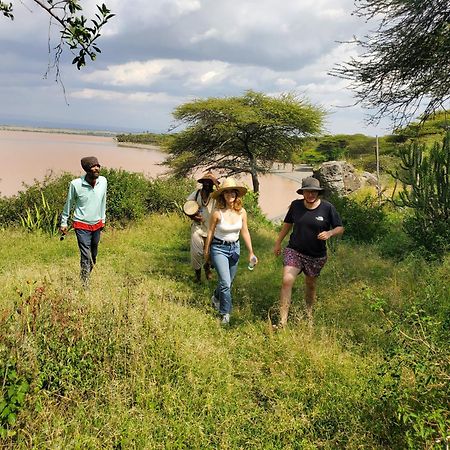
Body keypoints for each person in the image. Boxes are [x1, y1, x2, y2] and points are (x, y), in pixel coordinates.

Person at [273, 177, 344, 327]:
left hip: (316, 255)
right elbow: (287, 225)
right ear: (303, 192)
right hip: (295, 250)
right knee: (287, 281)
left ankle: (308, 312)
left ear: (318, 193)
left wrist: (330, 233)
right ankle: (282, 322)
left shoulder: (327, 208)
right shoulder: (296, 206)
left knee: (310, 285)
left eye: (314, 192)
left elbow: (340, 227)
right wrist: (278, 242)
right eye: (307, 192)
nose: (311, 194)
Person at [204, 177, 257, 325]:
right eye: (226, 193)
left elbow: (245, 232)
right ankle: (225, 314)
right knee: (226, 283)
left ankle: (215, 297)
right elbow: (210, 232)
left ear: (236, 194)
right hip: (218, 248)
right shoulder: (217, 212)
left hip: (235, 249)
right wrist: (206, 251)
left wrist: (251, 252)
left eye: (232, 192)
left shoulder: (242, 212)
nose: (229, 195)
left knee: (228, 282)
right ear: (222, 195)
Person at [60, 156, 107, 286]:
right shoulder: (76, 184)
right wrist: (64, 222)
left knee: (94, 256)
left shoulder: (103, 181)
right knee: (86, 255)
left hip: (97, 224)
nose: (97, 168)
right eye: (93, 166)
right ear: (87, 169)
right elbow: (68, 204)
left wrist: (103, 219)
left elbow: (103, 200)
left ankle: (85, 275)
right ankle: (84, 283)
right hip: (81, 224)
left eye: (98, 165)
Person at [185, 172, 220, 282]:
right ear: (202, 183)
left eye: (210, 183)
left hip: (212, 229)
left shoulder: (216, 196)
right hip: (198, 227)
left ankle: (207, 268)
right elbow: (186, 208)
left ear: (213, 185)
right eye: (205, 182)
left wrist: (216, 183)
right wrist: (193, 217)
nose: (207, 185)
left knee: (209, 253)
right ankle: (197, 276)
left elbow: (225, 196)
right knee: (196, 252)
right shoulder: (196, 194)